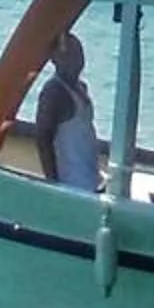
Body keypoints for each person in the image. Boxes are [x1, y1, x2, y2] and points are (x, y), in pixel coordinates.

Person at [32, 32, 101, 191]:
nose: (76, 60)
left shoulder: (81, 87)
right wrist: (53, 184)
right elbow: (43, 139)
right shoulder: (54, 92)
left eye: (78, 53)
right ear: (54, 59)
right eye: (68, 55)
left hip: (90, 177)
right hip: (71, 182)